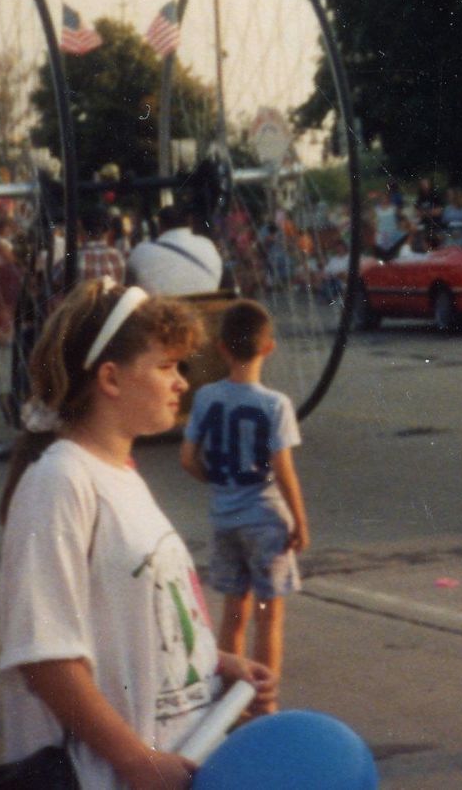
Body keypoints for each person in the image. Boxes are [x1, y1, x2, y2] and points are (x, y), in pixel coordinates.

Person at [0, 281, 274, 789]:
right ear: (111, 378)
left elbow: (136, 626)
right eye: (166, 366)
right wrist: (135, 760)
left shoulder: (120, 474)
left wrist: (216, 664)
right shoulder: (60, 481)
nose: (181, 382)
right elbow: (45, 658)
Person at [180, 301, 309, 714]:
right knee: (269, 616)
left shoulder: (206, 397)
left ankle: (227, 702)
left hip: (225, 519)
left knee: (233, 613)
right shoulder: (275, 404)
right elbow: (283, 470)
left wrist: (218, 481)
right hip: (266, 520)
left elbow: (187, 458)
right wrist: (300, 520)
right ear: (268, 347)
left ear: (221, 348)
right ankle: (263, 703)